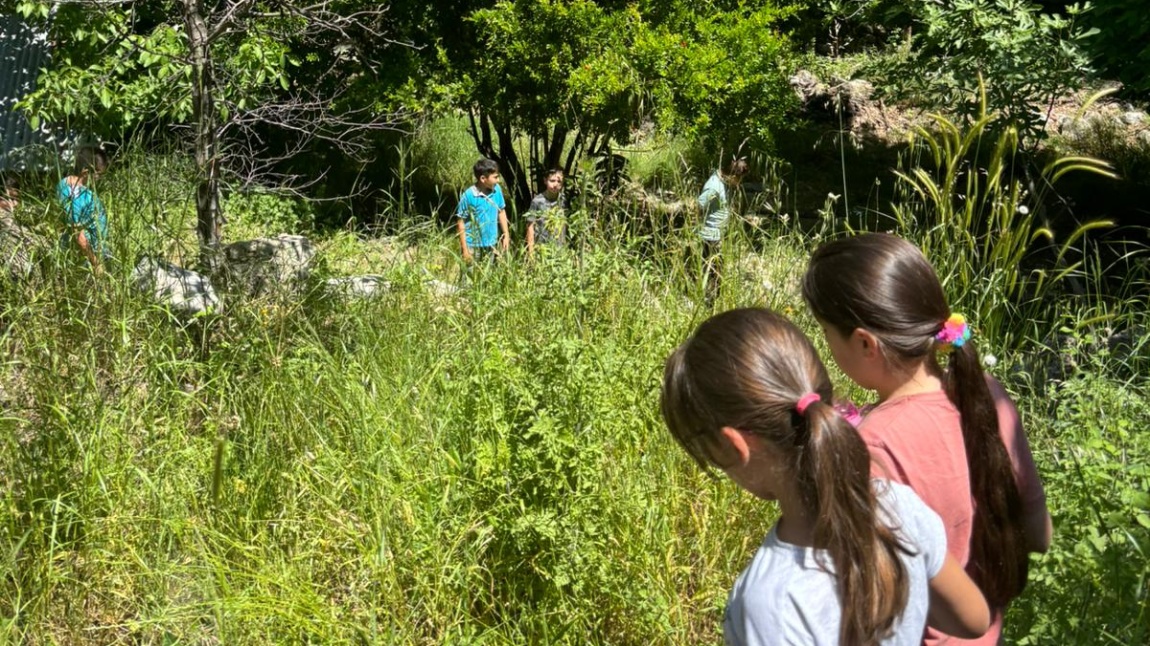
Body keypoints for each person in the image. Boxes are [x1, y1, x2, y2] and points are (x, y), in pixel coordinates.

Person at [661, 307, 991, 646]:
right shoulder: (900, 508)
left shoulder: (771, 605)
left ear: (734, 445)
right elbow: (973, 619)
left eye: (711, 457)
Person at [801, 233, 1052, 645]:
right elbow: (1040, 534)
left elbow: (865, 608)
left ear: (865, 342)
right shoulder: (986, 392)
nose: (827, 345)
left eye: (826, 332)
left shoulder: (874, 446)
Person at [696, 157, 748, 305]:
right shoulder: (714, 187)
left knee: (717, 273)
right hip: (710, 236)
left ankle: (712, 301)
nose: (740, 183)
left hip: (718, 235)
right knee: (713, 272)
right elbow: (699, 205)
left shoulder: (723, 183)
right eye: (739, 179)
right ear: (732, 176)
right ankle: (707, 302)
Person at [58, 147, 110, 271]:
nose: (99, 179)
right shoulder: (73, 192)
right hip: (88, 260)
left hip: (97, 253)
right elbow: (77, 232)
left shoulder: (78, 189)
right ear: (86, 171)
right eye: (99, 174)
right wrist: (95, 263)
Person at [455, 158, 509, 265]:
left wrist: (506, 235)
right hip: (473, 245)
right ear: (483, 178)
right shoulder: (469, 195)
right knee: (470, 277)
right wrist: (465, 249)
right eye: (495, 177)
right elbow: (460, 222)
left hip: (492, 244)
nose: (498, 180)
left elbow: (501, 211)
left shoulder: (497, 190)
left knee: (489, 276)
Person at [526, 167, 566, 257]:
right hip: (541, 249)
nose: (555, 184)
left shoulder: (563, 200)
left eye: (559, 181)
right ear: (545, 181)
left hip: (559, 249)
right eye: (552, 181)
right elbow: (530, 226)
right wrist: (531, 253)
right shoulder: (537, 201)